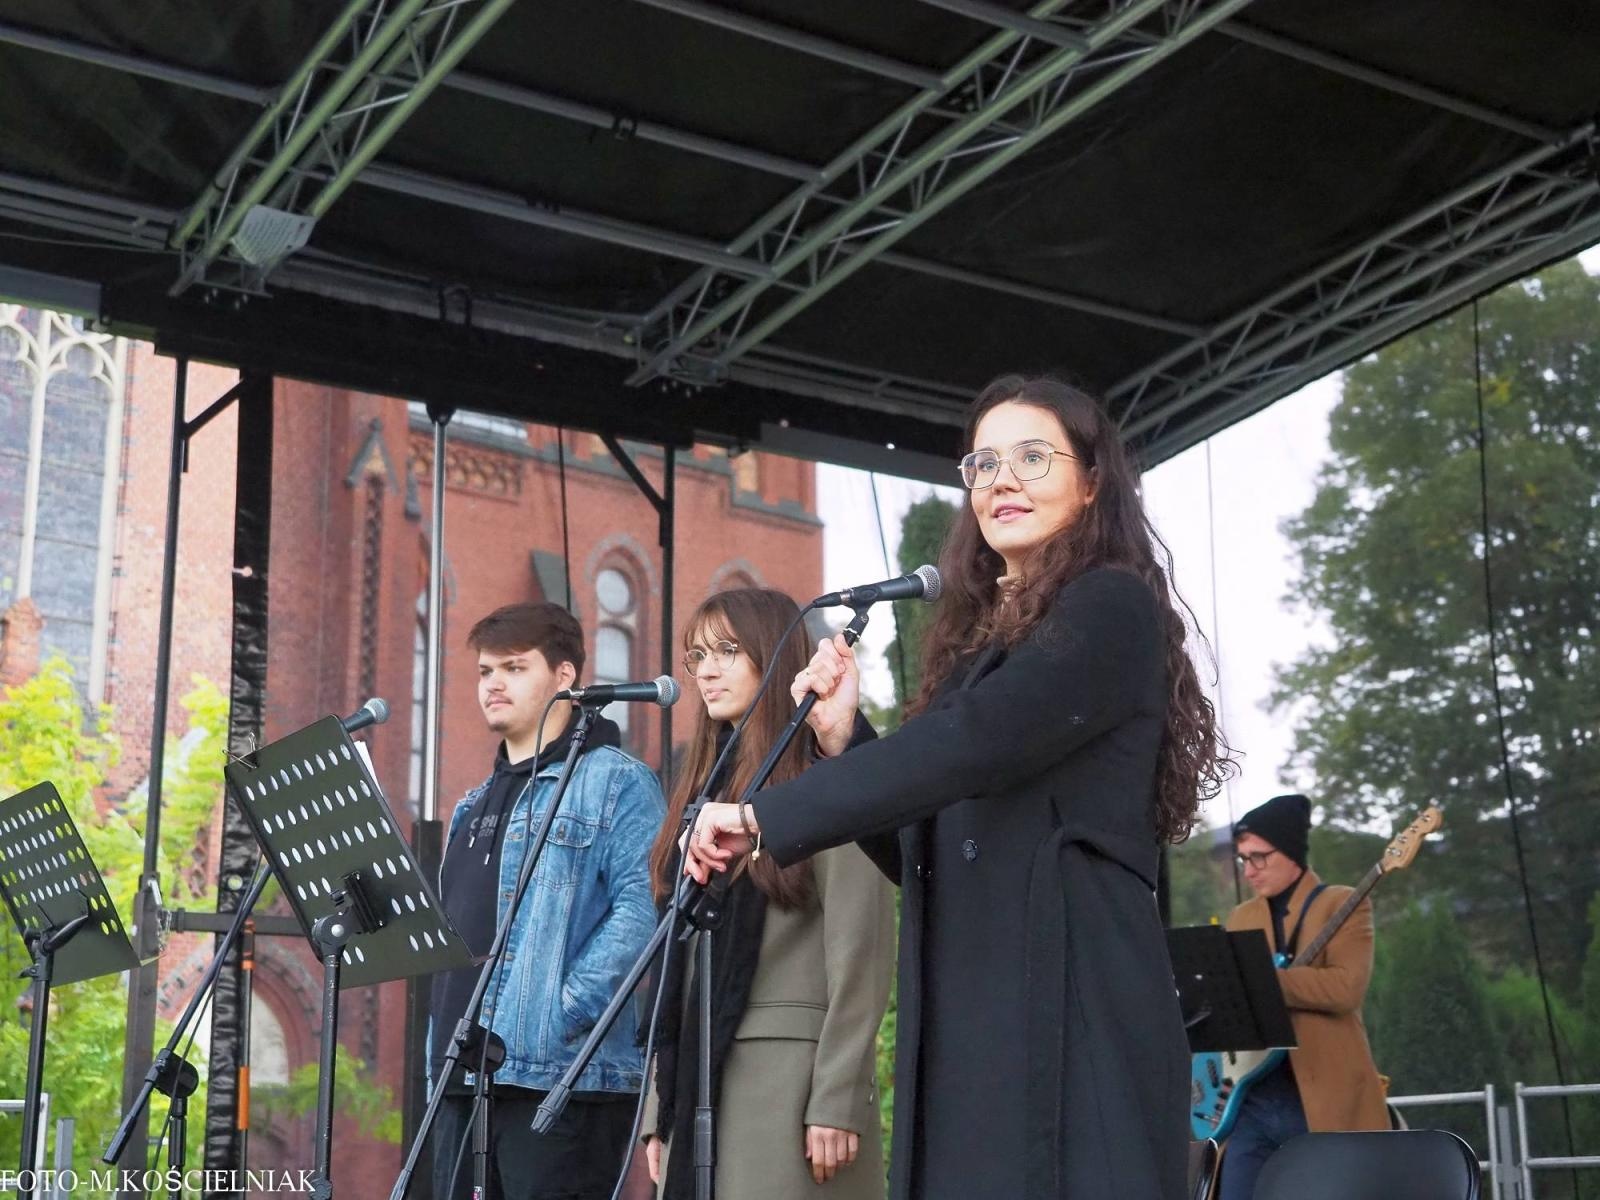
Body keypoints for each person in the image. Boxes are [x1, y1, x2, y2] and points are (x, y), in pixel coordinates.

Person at [684, 375, 1233, 1200]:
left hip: (1071, 1004)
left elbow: (971, 746)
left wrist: (767, 813)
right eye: (982, 464)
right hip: (974, 1015)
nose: (1000, 479)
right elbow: (926, 846)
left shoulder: (1111, 606)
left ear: (1092, 484)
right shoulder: (980, 650)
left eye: (1032, 457)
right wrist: (847, 738)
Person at [641, 587, 896, 1200]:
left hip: (790, 1086)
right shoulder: (697, 790)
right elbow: (673, 968)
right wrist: (658, 1107)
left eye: (727, 650)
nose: (705, 670)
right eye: (696, 655)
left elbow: (861, 947)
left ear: (774, 654)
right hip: (699, 1081)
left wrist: (839, 1095)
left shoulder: (824, 776)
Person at [428, 602, 665, 1200]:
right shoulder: (469, 807)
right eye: (485, 671)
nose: (494, 684)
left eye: (514, 667)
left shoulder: (617, 781)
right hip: (460, 1082)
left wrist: (561, 1010)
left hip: (558, 1083)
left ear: (564, 677)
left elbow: (644, 911)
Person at [1217, 793, 1388, 1200]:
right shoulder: (1241, 917)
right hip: (1250, 1098)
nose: (1250, 870)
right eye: (1244, 859)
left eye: (1260, 857)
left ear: (1292, 853)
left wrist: (1267, 981)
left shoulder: (1342, 902)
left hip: (1320, 1098)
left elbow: (1346, 988)